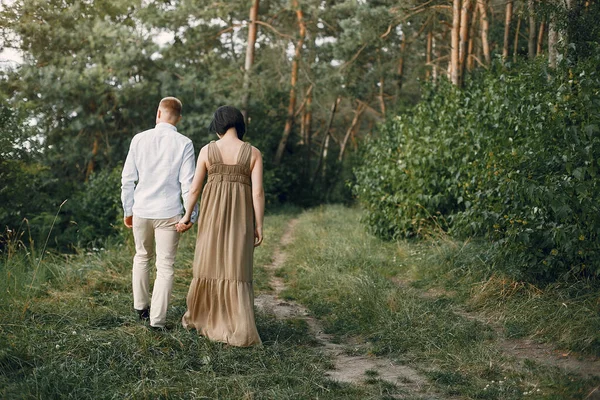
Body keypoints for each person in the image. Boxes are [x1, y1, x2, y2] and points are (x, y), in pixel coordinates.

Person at [176, 105, 264, 347]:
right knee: (237, 267)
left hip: (211, 216)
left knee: (209, 263)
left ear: (218, 126)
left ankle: (205, 317)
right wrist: (259, 225)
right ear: (239, 124)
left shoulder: (207, 150)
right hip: (242, 218)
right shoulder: (253, 153)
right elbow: (257, 193)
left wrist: (186, 216)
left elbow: (194, 189)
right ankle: (238, 325)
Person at [121, 96, 198, 329]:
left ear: (158, 113)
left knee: (142, 256)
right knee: (165, 266)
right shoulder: (184, 143)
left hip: (142, 209)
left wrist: (128, 210)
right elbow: (189, 185)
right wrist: (190, 216)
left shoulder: (139, 139)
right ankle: (157, 321)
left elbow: (127, 179)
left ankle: (140, 308)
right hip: (169, 212)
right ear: (179, 118)